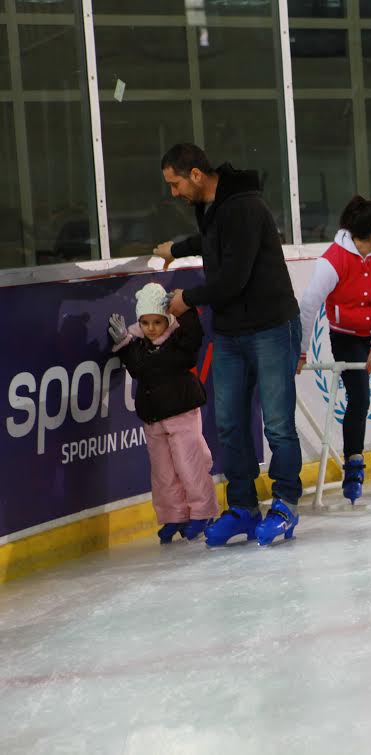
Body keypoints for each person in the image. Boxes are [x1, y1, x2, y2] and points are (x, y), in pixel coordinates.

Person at [153, 143, 302, 547]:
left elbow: (233, 277)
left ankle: (285, 503)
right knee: (230, 424)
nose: (174, 193)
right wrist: (177, 249)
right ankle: (242, 507)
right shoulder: (213, 207)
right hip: (233, 333)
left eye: (175, 183)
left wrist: (189, 299)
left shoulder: (245, 206)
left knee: (277, 424)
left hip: (272, 327)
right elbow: (213, 241)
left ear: (196, 175)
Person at [297, 197, 371, 501]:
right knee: (360, 399)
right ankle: (353, 464)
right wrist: (299, 351)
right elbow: (308, 306)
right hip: (347, 336)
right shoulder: (333, 261)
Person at [108, 282, 219, 543]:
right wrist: (124, 342)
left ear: (167, 320)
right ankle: (173, 515)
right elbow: (136, 368)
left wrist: (185, 311)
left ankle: (202, 512)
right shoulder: (141, 347)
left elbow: (193, 339)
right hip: (154, 418)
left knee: (189, 464)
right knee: (163, 473)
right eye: (145, 323)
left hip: (181, 413)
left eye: (157, 322)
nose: (151, 328)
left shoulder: (179, 342)